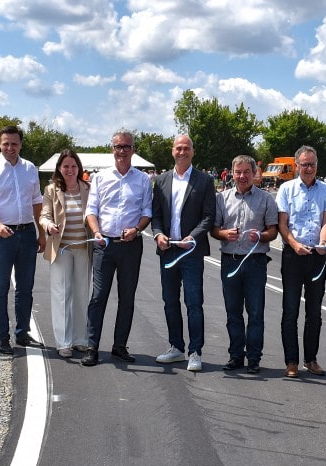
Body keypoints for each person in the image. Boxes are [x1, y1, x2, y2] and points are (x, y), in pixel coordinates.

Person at [81, 130, 153, 367]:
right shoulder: (100, 178)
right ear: (112, 149)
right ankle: (92, 346)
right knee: (98, 296)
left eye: (126, 147)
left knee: (127, 298)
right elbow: (91, 210)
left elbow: (146, 213)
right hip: (105, 244)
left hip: (131, 246)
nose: (122, 151)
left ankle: (119, 346)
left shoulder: (142, 180)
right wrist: (97, 232)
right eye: (118, 147)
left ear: (133, 150)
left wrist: (137, 229)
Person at [0, 125, 47, 355]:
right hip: (1, 235)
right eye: (6, 143)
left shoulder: (29, 168)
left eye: (14, 143)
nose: (10, 148)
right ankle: (2, 337)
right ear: (0, 144)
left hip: (26, 233)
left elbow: (37, 200)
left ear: (21, 144)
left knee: (25, 287)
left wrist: (41, 232)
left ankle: (22, 333)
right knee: (0, 287)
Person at [151, 135, 216, 372]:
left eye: (186, 148)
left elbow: (208, 216)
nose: (182, 151)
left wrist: (193, 237)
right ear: (172, 151)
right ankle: (176, 347)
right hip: (167, 250)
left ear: (193, 152)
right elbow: (156, 215)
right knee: (170, 302)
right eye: (178, 148)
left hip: (191, 251)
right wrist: (158, 234)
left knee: (193, 302)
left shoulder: (204, 181)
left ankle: (195, 351)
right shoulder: (161, 180)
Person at [211, 155, 279, 373]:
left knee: (256, 312)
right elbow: (214, 229)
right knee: (233, 312)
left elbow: (273, 231)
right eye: (238, 172)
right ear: (232, 172)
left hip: (255, 263)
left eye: (246, 172)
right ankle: (235, 355)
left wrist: (261, 236)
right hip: (230, 261)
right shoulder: (221, 198)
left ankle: (254, 358)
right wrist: (223, 233)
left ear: (254, 173)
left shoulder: (266, 199)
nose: (242, 176)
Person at [276, 145, 326, 378]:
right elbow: (282, 224)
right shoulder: (286, 189)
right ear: (296, 165)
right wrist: (294, 244)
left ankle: (311, 359)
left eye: (311, 164)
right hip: (293, 255)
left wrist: (323, 241)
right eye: (304, 164)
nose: (308, 168)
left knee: (314, 312)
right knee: (290, 311)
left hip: (317, 257)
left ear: (316, 166)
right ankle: (291, 361)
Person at [39, 150, 92, 359]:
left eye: (73, 166)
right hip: (61, 248)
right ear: (59, 169)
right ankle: (63, 342)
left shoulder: (88, 188)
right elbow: (44, 214)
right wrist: (48, 224)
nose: (70, 170)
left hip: (84, 248)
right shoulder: (51, 190)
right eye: (66, 166)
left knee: (81, 294)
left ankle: (80, 340)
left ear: (79, 168)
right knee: (62, 294)